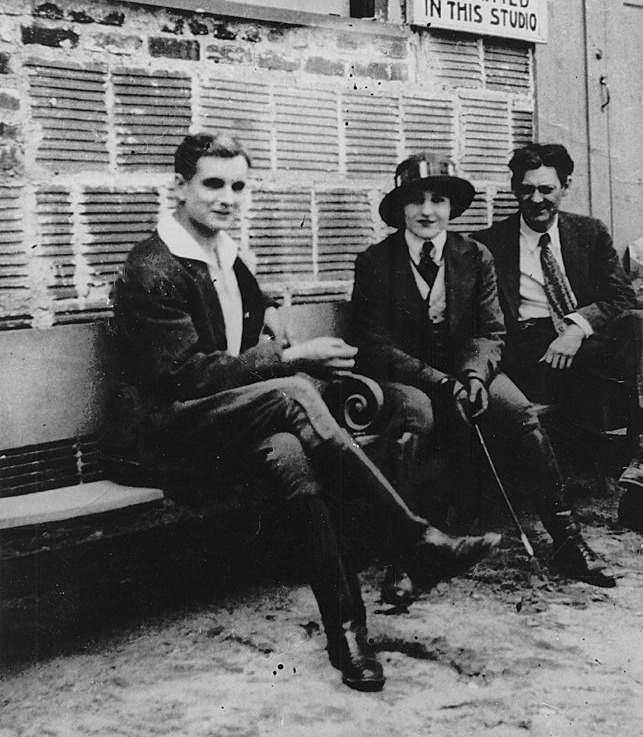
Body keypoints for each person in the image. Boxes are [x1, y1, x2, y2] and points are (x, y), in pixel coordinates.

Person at [111, 132, 502, 694]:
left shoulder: (223, 251)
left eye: (238, 186)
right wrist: (290, 354)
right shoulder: (153, 267)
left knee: (293, 456)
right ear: (179, 187)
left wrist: (266, 311)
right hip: (166, 432)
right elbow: (187, 376)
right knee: (294, 388)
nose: (227, 198)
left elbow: (247, 299)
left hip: (225, 420)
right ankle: (414, 540)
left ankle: (349, 635)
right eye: (212, 184)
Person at [351, 152, 616, 595]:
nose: (427, 211)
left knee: (519, 414)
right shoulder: (376, 262)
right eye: (415, 201)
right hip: (407, 380)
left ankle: (566, 538)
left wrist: (474, 377)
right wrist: (439, 382)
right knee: (416, 418)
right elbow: (375, 345)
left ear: (452, 208)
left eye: (438, 200)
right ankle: (405, 555)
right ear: (400, 209)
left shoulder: (474, 256)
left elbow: (491, 330)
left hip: (466, 372)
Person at [473, 143, 643, 541]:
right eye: (526, 190)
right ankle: (642, 492)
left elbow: (621, 298)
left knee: (642, 323)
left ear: (565, 186)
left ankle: (640, 474)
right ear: (514, 189)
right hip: (528, 352)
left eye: (546, 189)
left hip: (580, 344)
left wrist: (576, 328)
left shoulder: (588, 231)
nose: (536, 199)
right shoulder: (488, 243)